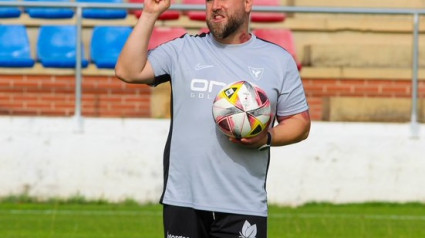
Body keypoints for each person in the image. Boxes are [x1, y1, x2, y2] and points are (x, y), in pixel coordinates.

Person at [115, 0, 311, 236]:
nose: (215, 5)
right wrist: (149, 14)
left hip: (244, 204)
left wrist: (266, 137)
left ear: (248, 3)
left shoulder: (278, 59)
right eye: (209, 0)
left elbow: (300, 123)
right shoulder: (182, 49)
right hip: (183, 201)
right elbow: (128, 71)